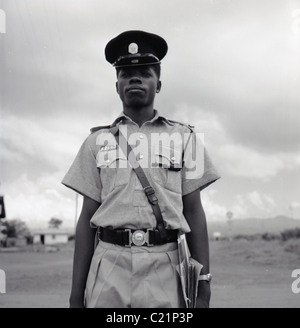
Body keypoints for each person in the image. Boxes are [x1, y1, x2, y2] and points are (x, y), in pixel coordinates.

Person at [62, 30, 220, 308]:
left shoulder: (187, 138)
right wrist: (76, 295)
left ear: (158, 85)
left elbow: (194, 211)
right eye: (125, 73)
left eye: (145, 73)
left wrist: (203, 281)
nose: (134, 78)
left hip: (166, 265)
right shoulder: (95, 142)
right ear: (117, 86)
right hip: (109, 265)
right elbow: (87, 218)